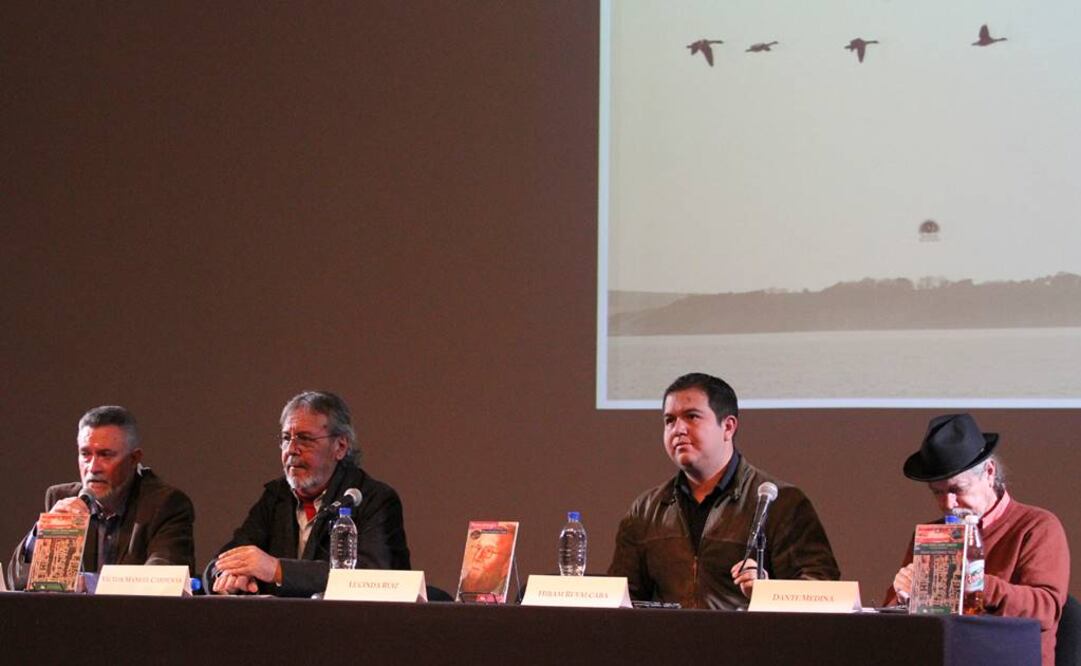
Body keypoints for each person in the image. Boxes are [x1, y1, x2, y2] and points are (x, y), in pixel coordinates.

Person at [607, 372, 840, 609]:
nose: (678, 429)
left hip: (751, 643)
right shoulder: (646, 509)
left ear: (728, 427)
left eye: (691, 417)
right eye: (669, 420)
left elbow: (821, 588)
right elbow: (622, 598)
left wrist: (768, 592)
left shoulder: (782, 503)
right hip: (669, 643)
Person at [886, 413, 1070, 666]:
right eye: (937, 492)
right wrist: (904, 596)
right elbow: (891, 621)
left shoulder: (1036, 526)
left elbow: (1045, 610)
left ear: (989, 472)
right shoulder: (933, 533)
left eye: (957, 489)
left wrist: (975, 583)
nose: (947, 504)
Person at [209, 390, 410, 597]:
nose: (292, 449)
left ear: (340, 447)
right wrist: (227, 576)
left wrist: (277, 570)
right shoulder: (277, 496)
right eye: (286, 438)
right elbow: (223, 560)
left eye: (304, 439)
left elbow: (371, 579)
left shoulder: (374, 499)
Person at [6, 405, 195, 590]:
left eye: (105, 455)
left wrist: (87, 583)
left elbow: (165, 583)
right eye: (85, 454)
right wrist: (42, 532)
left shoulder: (165, 504)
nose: (93, 467)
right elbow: (17, 581)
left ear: (134, 458)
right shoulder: (62, 498)